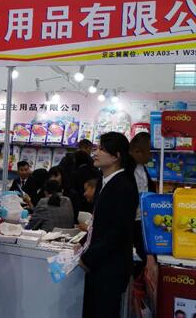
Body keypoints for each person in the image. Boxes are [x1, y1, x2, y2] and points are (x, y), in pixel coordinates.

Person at [80, 132, 139, 318]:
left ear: (116, 156)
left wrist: (88, 257)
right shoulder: (103, 182)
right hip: (99, 263)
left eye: (102, 149)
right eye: (97, 148)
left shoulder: (124, 186)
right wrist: (82, 245)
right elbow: (98, 223)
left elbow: (117, 232)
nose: (96, 152)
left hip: (111, 267)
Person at [129, 132, 155, 277]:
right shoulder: (126, 170)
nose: (151, 157)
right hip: (131, 221)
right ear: (137, 152)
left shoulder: (141, 167)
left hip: (142, 219)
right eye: (149, 153)